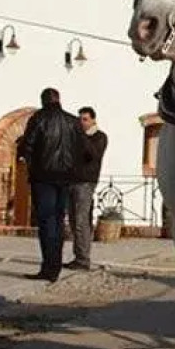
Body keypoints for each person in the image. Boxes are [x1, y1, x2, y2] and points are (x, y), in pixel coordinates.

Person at [16, 87, 86, 282]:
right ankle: (55, 266)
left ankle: (49, 267)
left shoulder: (38, 119)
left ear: (43, 100)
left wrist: (27, 160)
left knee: (47, 222)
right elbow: (82, 149)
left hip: (43, 177)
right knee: (58, 220)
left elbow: (27, 145)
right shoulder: (73, 121)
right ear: (59, 99)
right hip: (65, 178)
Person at [66, 106, 108, 272]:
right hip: (72, 181)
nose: (82, 123)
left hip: (86, 182)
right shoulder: (77, 138)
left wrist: (81, 136)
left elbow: (93, 154)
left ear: (93, 120)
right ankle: (78, 256)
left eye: (85, 119)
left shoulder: (99, 137)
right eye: (80, 120)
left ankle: (83, 259)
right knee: (74, 220)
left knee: (81, 221)